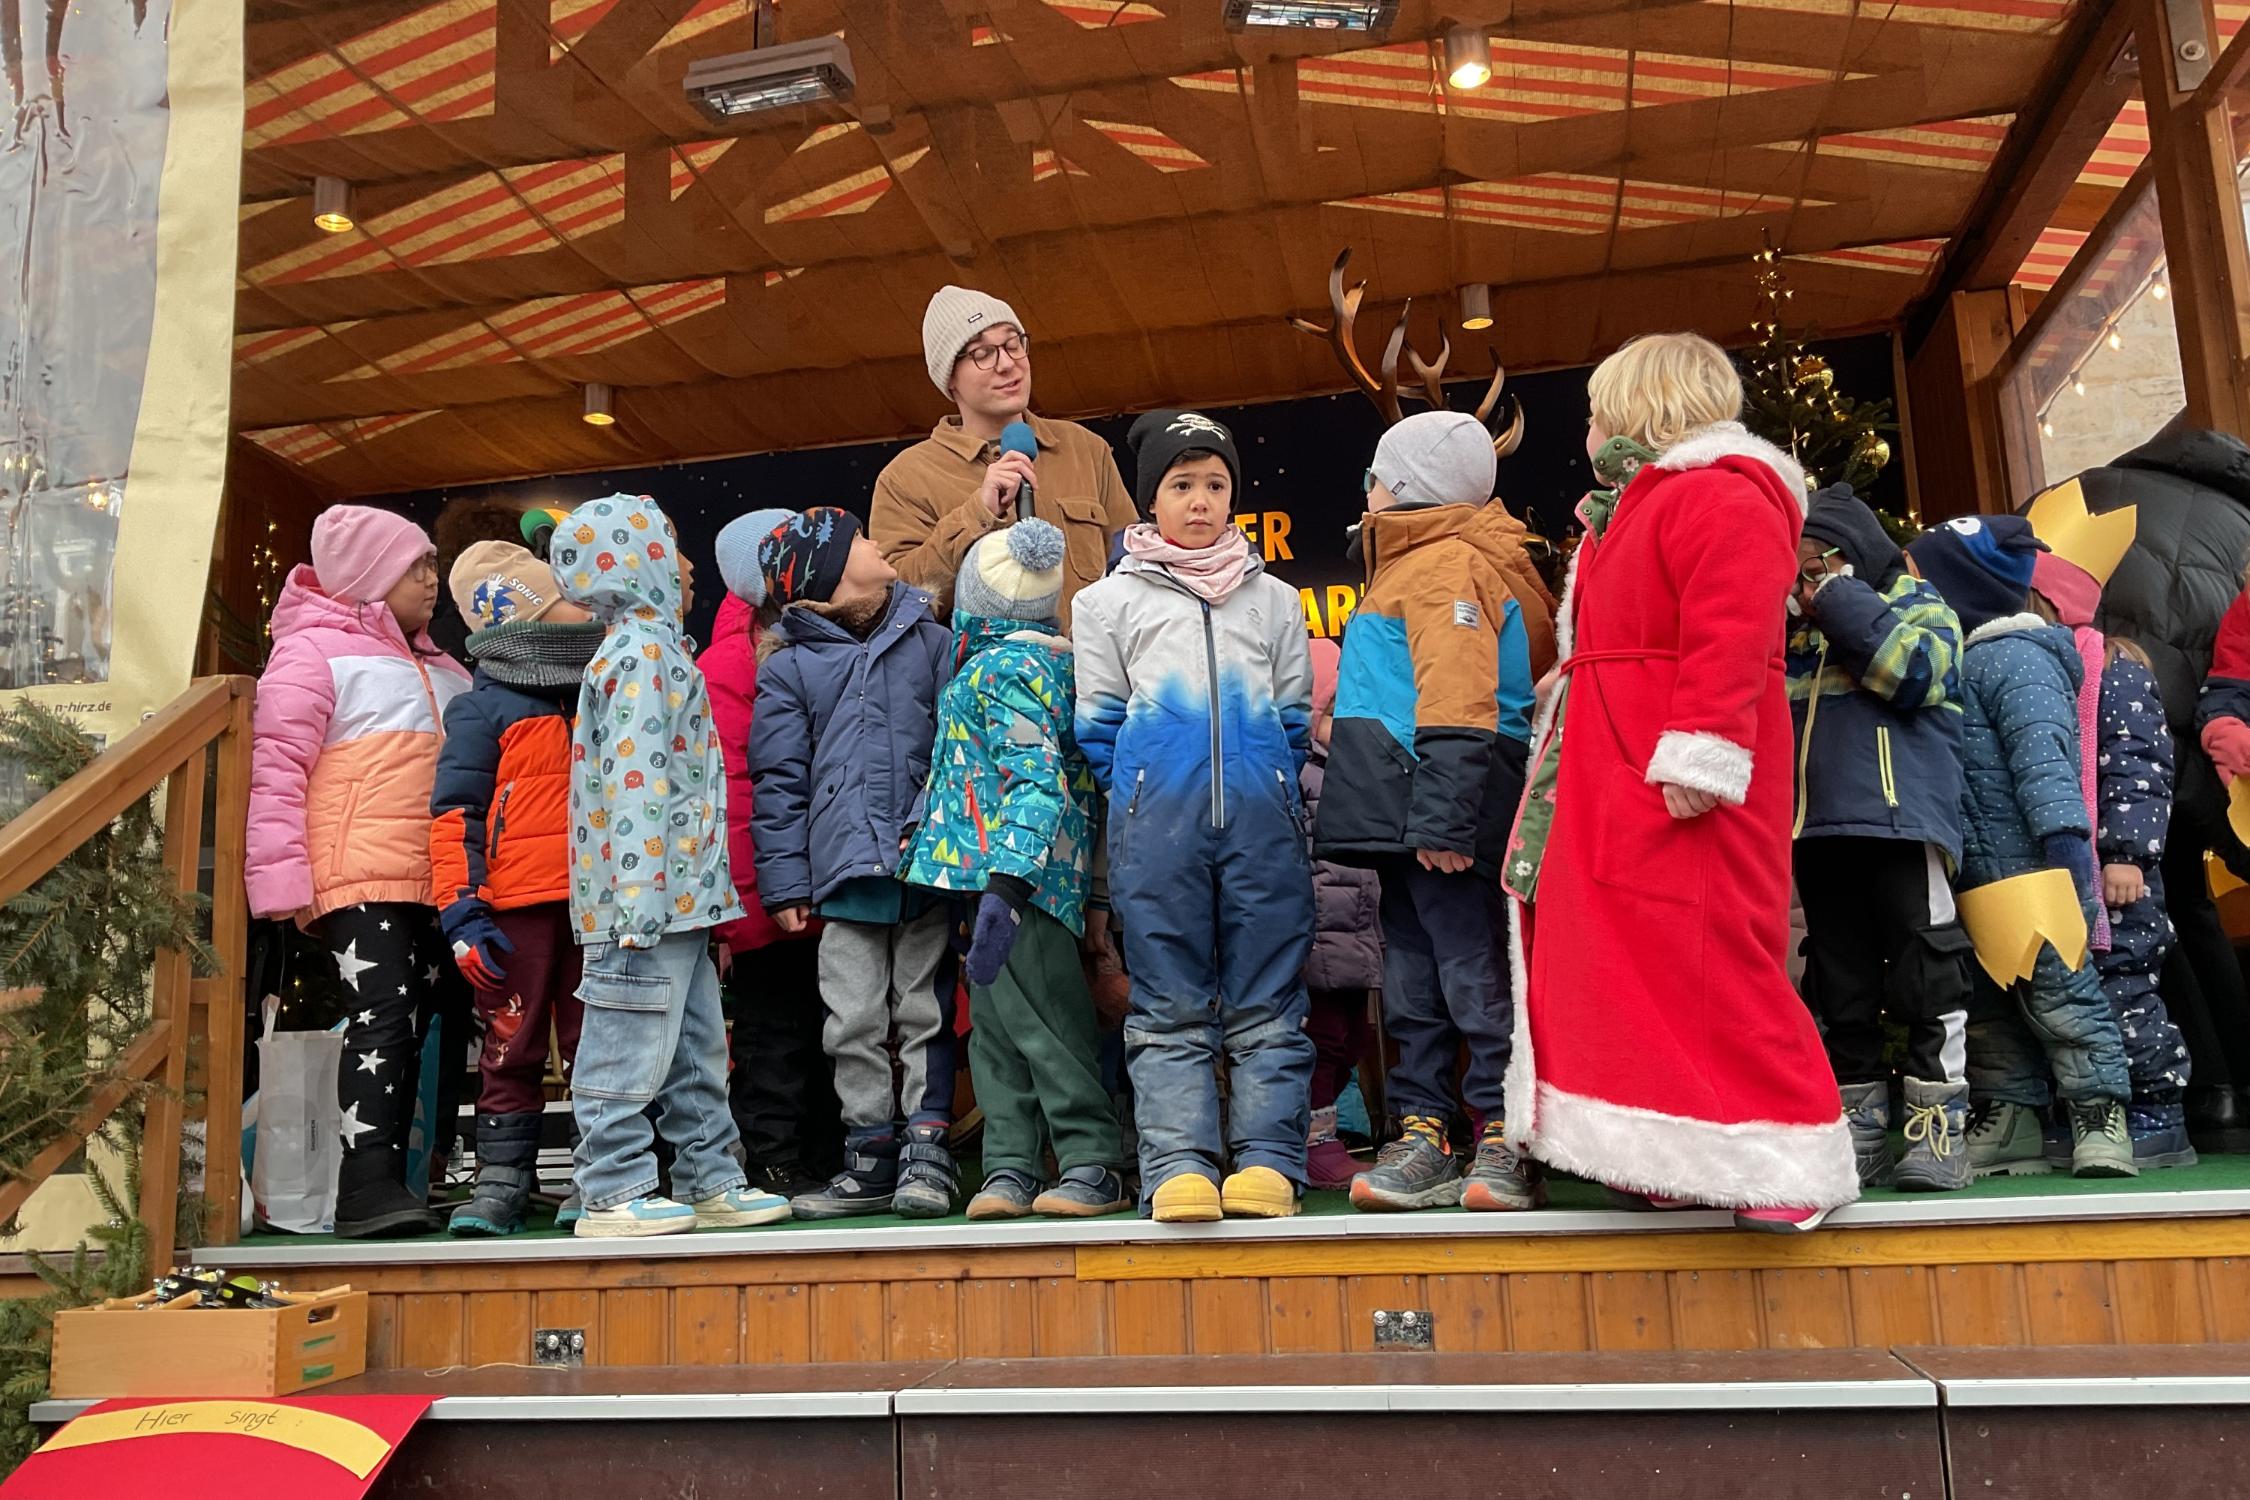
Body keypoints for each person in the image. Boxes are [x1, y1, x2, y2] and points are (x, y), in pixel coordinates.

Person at [1509, 333, 1856, 1233]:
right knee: (1632, 961)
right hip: (1616, 757)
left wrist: (1702, 748)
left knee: (1717, 951)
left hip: (1677, 760)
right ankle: (1674, 1146)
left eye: (1594, 410)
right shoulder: (1629, 509)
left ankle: (1789, 1151)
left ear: (1639, 406)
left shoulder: (1719, 493)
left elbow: (1732, 627)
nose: (1585, 428)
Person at [1073, 409, 1317, 1223]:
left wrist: (1268, 790)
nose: (1202, 500)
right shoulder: (1105, 603)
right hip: (1157, 834)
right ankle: (1176, 1162)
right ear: (1151, 501)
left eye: (1216, 485)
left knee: (1268, 999)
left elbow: (1291, 718)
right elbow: (1099, 722)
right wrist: (1145, 792)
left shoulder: (1277, 600)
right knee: (1169, 1001)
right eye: (1182, 485)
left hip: (1262, 830)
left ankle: (1268, 1162)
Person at [1314, 410, 1555, 1214]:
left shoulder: (1446, 565)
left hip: (1442, 817)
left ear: (1406, 490)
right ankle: (1425, 1129)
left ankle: (1499, 1132)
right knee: (1414, 979)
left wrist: (1448, 824)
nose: (1367, 491)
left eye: (1376, 477)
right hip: (1408, 821)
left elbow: (1459, 697)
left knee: (1471, 974)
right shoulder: (1412, 566)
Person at [549, 493, 793, 1238]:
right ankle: (611, 1187)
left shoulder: (656, 649)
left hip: (674, 894)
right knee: (626, 1036)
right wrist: (638, 895)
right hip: (643, 899)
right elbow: (639, 777)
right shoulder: (644, 655)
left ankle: (709, 1174)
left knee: (694, 1044)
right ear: (638, 562)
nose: (687, 566)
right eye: (672, 546)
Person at [246, 505, 474, 1239]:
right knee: (386, 1008)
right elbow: (277, 766)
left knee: (447, 1011)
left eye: (434, 563)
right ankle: (365, 1182)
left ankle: (426, 1167)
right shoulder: (311, 654)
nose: (432, 579)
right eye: (416, 566)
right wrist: (277, 879)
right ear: (372, 577)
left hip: (438, 876)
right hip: (358, 872)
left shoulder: (447, 668)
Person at [906, 518, 1130, 1219]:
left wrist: (1008, 886)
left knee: (1047, 1026)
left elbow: (1039, 783)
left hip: (1018, 884)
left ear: (976, 600)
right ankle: (1009, 1166)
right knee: (999, 1031)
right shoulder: (1035, 663)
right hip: (991, 879)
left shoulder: (1009, 667)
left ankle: (1092, 1159)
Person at [1906, 515, 2135, 1178]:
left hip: (2033, 873)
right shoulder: (1960, 661)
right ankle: (2013, 1119)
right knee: (1989, 1005)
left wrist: (2070, 863)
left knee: (2065, 997)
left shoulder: (2015, 659)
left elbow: (2046, 767)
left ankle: (2100, 1114)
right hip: (1975, 870)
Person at [747, 508, 959, 1220]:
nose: (878, 544)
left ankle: (928, 1153)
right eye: (862, 540)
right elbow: (779, 779)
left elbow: (956, 744)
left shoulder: (931, 641)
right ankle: (869, 1154)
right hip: (842, 873)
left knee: (925, 1010)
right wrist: (784, 881)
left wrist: (939, 831)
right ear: (827, 575)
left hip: (923, 865)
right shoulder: (791, 666)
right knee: (852, 1019)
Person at [1786, 487, 1976, 1192]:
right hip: (1819, 826)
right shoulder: (1798, 633)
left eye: (1821, 567)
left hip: (1902, 821)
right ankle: (1858, 1121)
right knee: (1840, 978)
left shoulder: (1918, 604)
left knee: (1929, 966)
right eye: (1799, 574)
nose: (1808, 586)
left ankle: (1937, 1125)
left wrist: (1837, 597)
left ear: (1856, 555)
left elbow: (1916, 673)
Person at [2076, 423, 2250, 1142]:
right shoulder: (2238, 523)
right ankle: (2240, 1078)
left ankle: (2206, 1090)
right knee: (2198, 913)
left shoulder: (2099, 497)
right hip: (2208, 747)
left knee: (2160, 914)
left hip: (2120, 732)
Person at [429, 542, 606, 1236]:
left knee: (598, 1040)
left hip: (596, 902)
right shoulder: (483, 710)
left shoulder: (599, 685)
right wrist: (462, 912)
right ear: (524, 616)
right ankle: (502, 1177)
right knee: (510, 1042)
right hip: (515, 910)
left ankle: (601, 1172)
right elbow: (454, 817)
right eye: (565, 598)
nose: (584, 607)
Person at [703, 509, 843, 1201]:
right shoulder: (725, 665)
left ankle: (825, 1154)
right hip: (764, 893)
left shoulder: (829, 638)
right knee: (771, 1036)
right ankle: (772, 1158)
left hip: (829, 878)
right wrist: (744, 901)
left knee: (833, 1032)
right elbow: (730, 790)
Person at [869, 286, 1138, 626]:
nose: (1008, 364)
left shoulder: (1085, 448)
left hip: (1090, 673)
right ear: (949, 376)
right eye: (983, 353)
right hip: (985, 678)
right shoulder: (905, 477)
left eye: (1013, 345)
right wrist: (976, 515)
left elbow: (1133, 567)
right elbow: (896, 606)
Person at [1299, 637, 1381, 1192]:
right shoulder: (1301, 771)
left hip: (1356, 931)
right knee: (1321, 1041)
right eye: (1331, 712)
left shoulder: (1351, 770)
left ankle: (1338, 1134)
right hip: (1320, 935)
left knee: (1350, 1037)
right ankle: (1315, 1143)